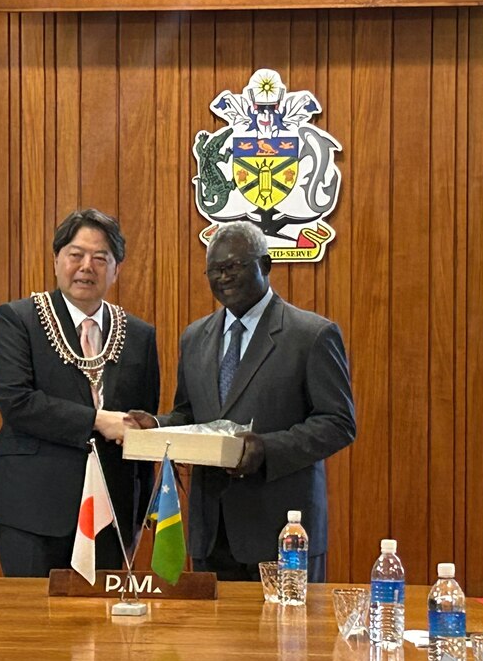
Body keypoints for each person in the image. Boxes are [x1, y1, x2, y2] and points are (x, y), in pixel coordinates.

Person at [129, 221, 355, 581]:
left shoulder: (311, 335)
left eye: (233, 266)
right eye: (214, 270)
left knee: (288, 638)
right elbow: (191, 414)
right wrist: (155, 425)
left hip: (283, 532)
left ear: (265, 265)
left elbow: (338, 422)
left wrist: (266, 449)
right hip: (210, 530)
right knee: (212, 637)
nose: (223, 278)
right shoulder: (194, 337)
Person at [0, 209, 159, 577]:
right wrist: (97, 421)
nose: (86, 266)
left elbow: (140, 426)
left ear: (116, 269)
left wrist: (138, 513)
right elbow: (18, 403)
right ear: (57, 259)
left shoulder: (139, 335)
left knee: (103, 627)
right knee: (35, 628)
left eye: (100, 258)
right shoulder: (18, 319)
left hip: (112, 512)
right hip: (32, 508)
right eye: (76, 255)